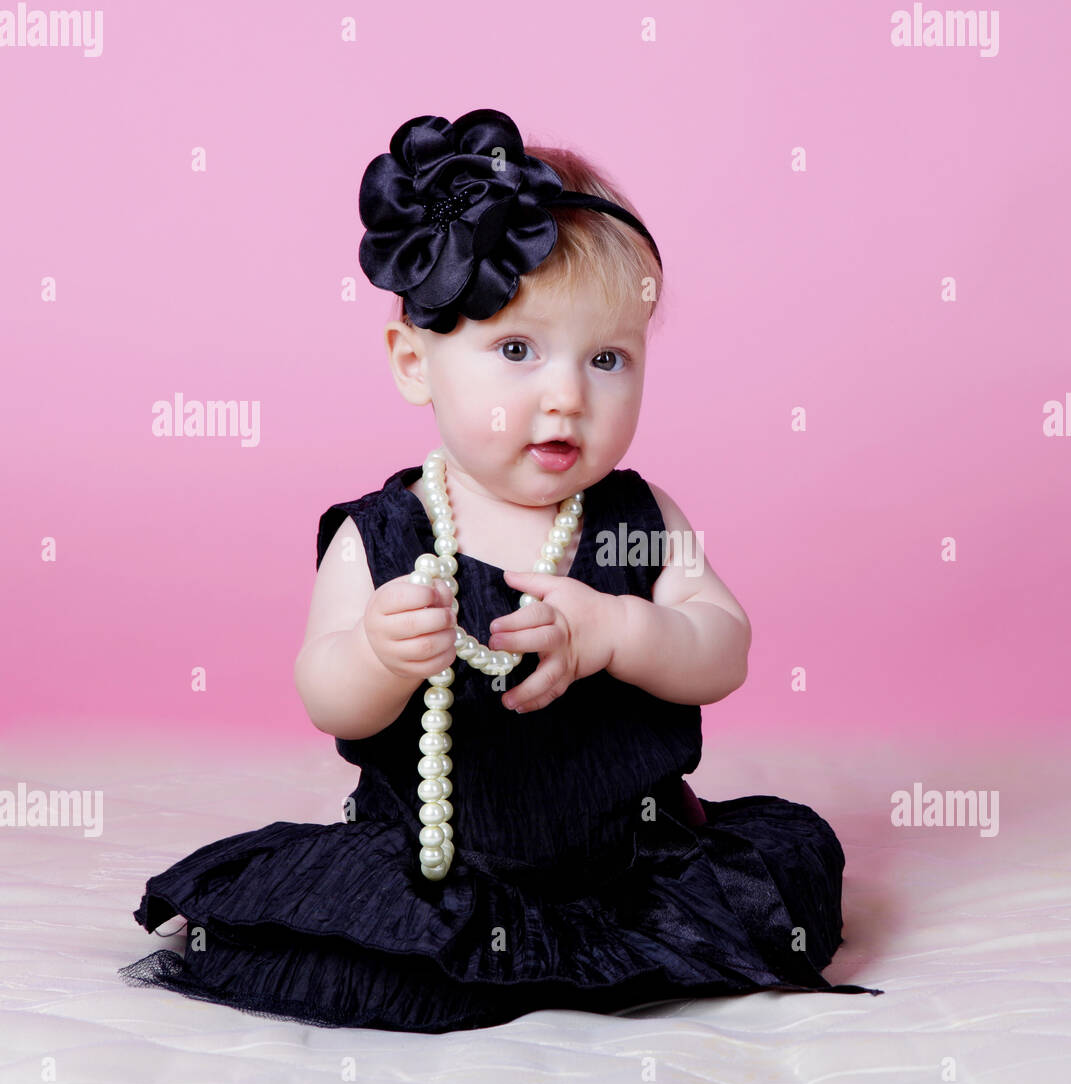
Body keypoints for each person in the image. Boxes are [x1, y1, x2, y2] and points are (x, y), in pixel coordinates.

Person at [119, 108, 883, 1032]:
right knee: (376, 947)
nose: (567, 394)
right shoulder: (387, 535)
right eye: (516, 351)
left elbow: (724, 648)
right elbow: (327, 695)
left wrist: (624, 630)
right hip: (442, 868)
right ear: (415, 361)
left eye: (608, 359)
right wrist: (377, 653)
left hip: (631, 869)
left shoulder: (638, 522)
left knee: (788, 866)